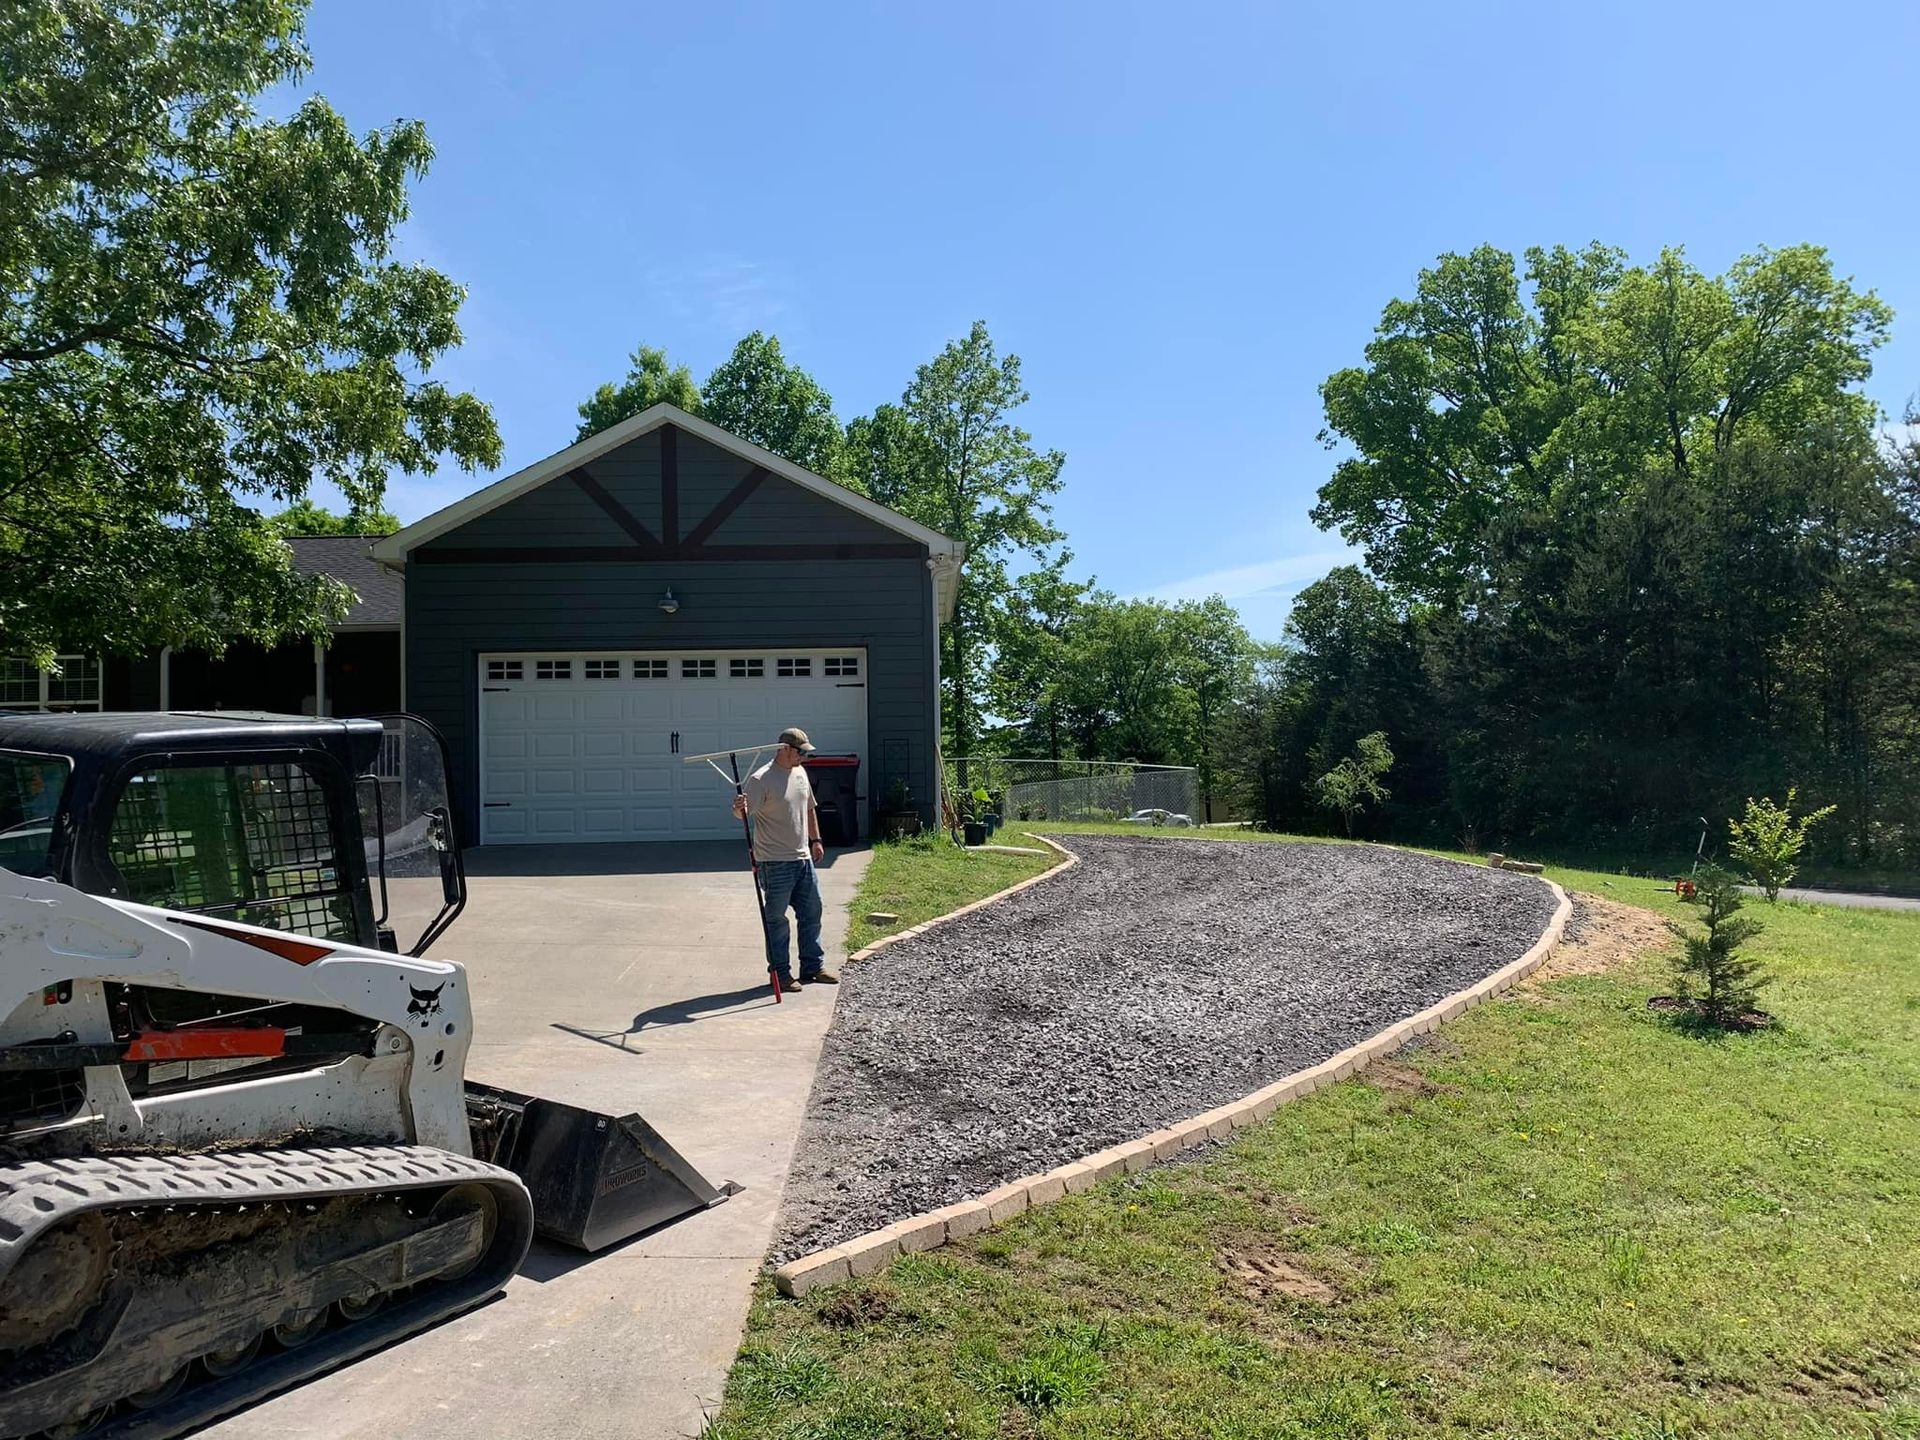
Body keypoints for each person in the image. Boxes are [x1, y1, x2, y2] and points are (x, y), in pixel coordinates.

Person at [732, 727, 838, 991]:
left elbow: (809, 807)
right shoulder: (761, 779)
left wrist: (816, 840)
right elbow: (744, 815)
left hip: (803, 858)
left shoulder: (800, 772)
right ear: (785, 749)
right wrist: (738, 809)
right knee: (777, 920)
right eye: (801, 752)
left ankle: (813, 966)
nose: (804, 757)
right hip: (774, 861)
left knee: (812, 911)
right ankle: (780, 974)